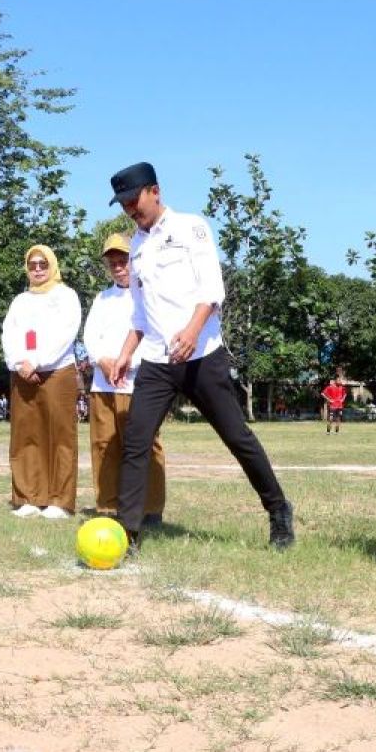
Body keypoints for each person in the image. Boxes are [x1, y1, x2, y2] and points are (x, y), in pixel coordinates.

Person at [107, 162, 295, 553]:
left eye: (134, 199)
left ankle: (278, 510)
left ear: (155, 191)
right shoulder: (137, 246)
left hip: (202, 357)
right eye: (123, 203)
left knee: (236, 437)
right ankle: (129, 533)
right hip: (158, 361)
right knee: (136, 442)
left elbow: (212, 289)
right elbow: (140, 313)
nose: (130, 209)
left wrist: (192, 333)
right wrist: (126, 353)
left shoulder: (191, 228)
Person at [83, 232, 167, 524]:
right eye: (113, 263)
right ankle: (107, 506)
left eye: (124, 261)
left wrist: (130, 361)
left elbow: (155, 335)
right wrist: (103, 361)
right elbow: (90, 336)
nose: (119, 267)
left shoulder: (150, 294)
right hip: (103, 384)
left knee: (146, 445)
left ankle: (151, 508)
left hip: (140, 383)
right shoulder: (102, 298)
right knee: (104, 445)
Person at [1, 244, 82, 519]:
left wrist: (38, 361)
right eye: (33, 264)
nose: (37, 269)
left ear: (52, 265)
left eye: (42, 264)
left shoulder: (66, 296)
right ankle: (28, 497)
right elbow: (9, 334)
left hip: (57, 371)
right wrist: (19, 363)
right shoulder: (20, 301)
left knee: (60, 436)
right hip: (22, 373)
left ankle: (59, 501)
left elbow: (66, 333)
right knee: (26, 435)